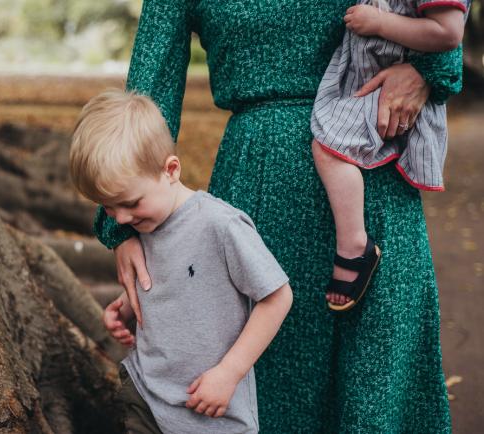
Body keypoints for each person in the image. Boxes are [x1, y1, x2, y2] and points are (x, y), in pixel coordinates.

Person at [94, 1, 465, 431]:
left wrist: (426, 74)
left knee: (377, 386)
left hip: (371, 173)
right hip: (255, 185)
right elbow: (147, 93)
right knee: (267, 390)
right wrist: (120, 231)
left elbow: (443, 20)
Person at [69, 89, 293, 434]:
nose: (121, 219)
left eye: (130, 203)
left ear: (170, 169)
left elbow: (277, 297)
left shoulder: (220, 225)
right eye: (109, 208)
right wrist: (128, 306)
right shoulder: (141, 226)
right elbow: (171, 286)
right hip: (147, 399)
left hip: (211, 413)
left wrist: (230, 372)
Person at [311, 0, 470, 311]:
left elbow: (449, 34)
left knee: (329, 145)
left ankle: (354, 243)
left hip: (380, 91)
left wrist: (379, 22)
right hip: (366, 84)